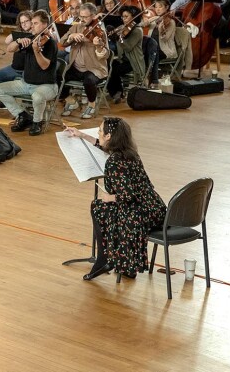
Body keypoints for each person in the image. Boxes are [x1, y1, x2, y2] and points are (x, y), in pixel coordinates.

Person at [64, 117, 167, 280]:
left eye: (100, 131)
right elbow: (107, 149)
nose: (98, 133)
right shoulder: (130, 153)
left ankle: (105, 259)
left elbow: (127, 195)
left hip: (139, 214)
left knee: (98, 207)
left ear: (109, 136)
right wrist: (82, 135)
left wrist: (110, 197)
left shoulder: (114, 162)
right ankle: (123, 264)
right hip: (154, 208)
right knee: (104, 208)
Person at [0, 9, 59, 136]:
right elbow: (9, 48)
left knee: (37, 97)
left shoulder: (50, 43)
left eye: (35, 23)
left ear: (45, 24)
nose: (31, 26)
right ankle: (23, 115)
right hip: (26, 83)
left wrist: (37, 51)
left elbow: (45, 66)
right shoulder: (31, 38)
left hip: (46, 86)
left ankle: (37, 122)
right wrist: (18, 42)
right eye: (32, 23)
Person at [58, 3, 109, 119]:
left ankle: (92, 104)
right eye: (81, 17)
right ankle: (71, 101)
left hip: (94, 68)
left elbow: (105, 55)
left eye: (86, 17)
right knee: (57, 75)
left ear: (94, 16)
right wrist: (72, 36)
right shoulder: (76, 27)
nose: (82, 20)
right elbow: (62, 42)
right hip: (76, 67)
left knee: (89, 81)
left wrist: (98, 46)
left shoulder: (100, 31)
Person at [0, 11, 33, 107]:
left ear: (32, 21)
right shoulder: (19, 33)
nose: (24, 24)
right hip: (14, 68)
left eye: (27, 21)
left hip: (26, 70)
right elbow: (7, 41)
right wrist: (19, 33)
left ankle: (27, 105)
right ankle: (6, 103)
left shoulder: (35, 34)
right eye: (22, 22)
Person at [107, 6, 149, 100]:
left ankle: (118, 92)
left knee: (113, 70)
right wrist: (111, 35)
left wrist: (118, 38)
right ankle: (116, 91)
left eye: (126, 16)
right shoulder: (123, 27)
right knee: (107, 66)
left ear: (134, 17)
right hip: (122, 59)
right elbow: (117, 43)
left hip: (133, 61)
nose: (123, 19)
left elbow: (128, 47)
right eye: (122, 16)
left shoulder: (137, 30)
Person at [143, 0, 192, 76]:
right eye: (156, 7)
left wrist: (160, 30)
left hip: (165, 51)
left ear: (167, 7)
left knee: (150, 54)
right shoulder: (155, 19)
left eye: (160, 7)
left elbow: (165, 39)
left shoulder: (171, 22)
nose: (157, 9)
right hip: (153, 48)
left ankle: (152, 79)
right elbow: (141, 24)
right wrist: (144, 22)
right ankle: (143, 77)